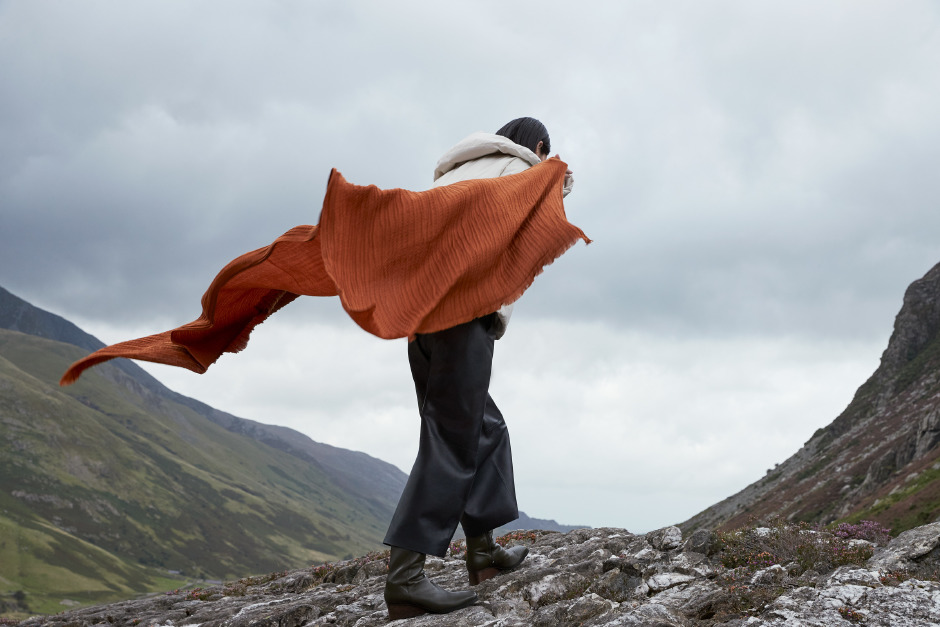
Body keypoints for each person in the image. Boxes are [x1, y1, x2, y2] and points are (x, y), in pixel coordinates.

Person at [382, 117, 575, 620]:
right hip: (464, 316)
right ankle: (404, 580)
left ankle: (483, 555)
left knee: (486, 430)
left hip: (422, 321)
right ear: (536, 146)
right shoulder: (519, 169)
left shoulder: (453, 175)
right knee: (452, 440)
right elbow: (548, 198)